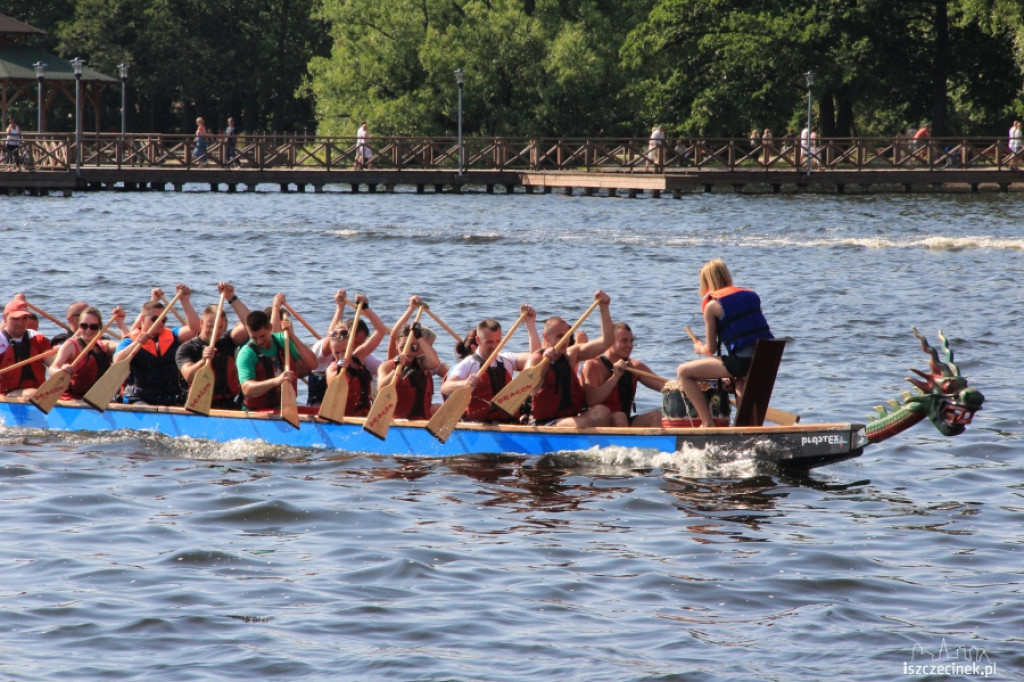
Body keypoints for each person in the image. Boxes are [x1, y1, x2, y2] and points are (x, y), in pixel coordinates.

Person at [676, 259, 773, 426]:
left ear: (706, 282)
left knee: (683, 372)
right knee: (740, 380)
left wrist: (699, 348)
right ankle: (747, 427)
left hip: (743, 363)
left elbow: (710, 350)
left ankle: (707, 423)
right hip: (766, 360)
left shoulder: (712, 306)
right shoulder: (751, 295)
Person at [524, 291, 615, 427]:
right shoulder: (536, 359)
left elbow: (607, 342)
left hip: (570, 418)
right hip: (545, 423)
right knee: (583, 422)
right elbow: (531, 388)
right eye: (560, 336)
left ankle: (601, 446)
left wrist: (604, 308)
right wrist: (546, 362)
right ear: (546, 337)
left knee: (603, 411)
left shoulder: (571, 354)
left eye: (567, 335)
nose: (565, 340)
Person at [440, 305, 541, 423]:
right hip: (480, 423)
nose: (494, 346)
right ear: (478, 340)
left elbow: (536, 358)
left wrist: (530, 324)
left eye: (498, 341)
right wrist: (465, 382)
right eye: (489, 342)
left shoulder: (506, 359)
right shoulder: (469, 363)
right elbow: (445, 387)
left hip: (509, 421)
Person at [114, 284, 201, 405]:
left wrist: (185, 301)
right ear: (143, 320)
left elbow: (195, 329)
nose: (160, 322)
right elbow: (117, 360)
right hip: (139, 398)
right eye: (155, 319)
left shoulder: (172, 335)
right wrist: (137, 344)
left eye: (163, 319)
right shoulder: (131, 340)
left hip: (169, 397)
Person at [175, 283, 252, 410]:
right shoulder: (186, 348)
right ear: (201, 323)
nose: (215, 331)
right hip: (196, 405)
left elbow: (250, 325)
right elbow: (188, 375)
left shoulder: (227, 341)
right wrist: (203, 360)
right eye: (210, 326)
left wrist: (231, 297)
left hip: (227, 405)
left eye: (220, 327)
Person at [582, 321, 666, 427]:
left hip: (624, 422)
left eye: (631, 341)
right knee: (619, 417)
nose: (630, 345)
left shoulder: (635, 366)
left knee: (656, 415)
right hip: (600, 422)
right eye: (624, 341)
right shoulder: (593, 365)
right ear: (610, 343)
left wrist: (685, 385)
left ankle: (653, 443)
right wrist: (615, 377)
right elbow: (590, 401)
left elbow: (664, 386)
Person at [317, 292, 387, 413]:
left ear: (351, 346)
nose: (340, 355)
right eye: (336, 352)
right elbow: (335, 387)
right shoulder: (332, 369)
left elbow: (381, 331)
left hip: (364, 416)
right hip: (345, 419)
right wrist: (340, 372)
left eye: (344, 351)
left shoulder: (359, 356)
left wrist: (366, 308)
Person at [236, 308, 317, 412]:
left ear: (270, 328)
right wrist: (276, 381)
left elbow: (312, 364)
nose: (259, 341)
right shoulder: (246, 354)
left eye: (262, 336)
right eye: (254, 337)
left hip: (284, 408)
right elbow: (247, 389)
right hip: (256, 411)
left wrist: (292, 336)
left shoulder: (283, 340)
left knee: (320, 414)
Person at [377, 301, 442, 420]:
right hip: (399, 422)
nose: (409, 351)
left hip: (422, 420)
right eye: (403, 347)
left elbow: (435, 363)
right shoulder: (387, 366)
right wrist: (397, 370)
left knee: (438, 407)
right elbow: (381, 387)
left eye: (414, 347)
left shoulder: (421, 363)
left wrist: (419, 337)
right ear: (397, 345)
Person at [50, 305, 125, 400]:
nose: (88, 330)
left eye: (93, 327)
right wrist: (60, 371)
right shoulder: (70, 345)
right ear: (79, 326)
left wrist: (120, 323)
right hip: (73, 399)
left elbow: (128, 346)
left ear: (99, 328)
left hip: (96, 399)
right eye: (84, 326)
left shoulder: (104, 345)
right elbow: (52, 368)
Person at [0, 298, 54, 397]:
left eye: (24, 318)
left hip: (37, 392)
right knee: (32, 394)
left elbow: (53, 363)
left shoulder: (37, 338)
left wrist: (62, 366)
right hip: (6, 395)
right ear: (5, 318)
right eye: (15, 319)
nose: (20, 323)